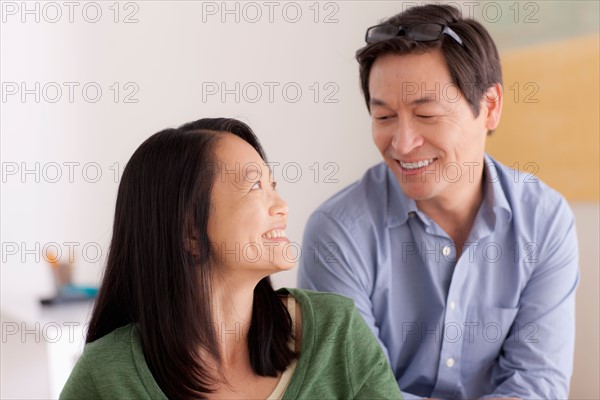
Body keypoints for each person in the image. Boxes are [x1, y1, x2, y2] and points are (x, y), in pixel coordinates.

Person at [298, 4, 579, 400]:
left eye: (426, 114)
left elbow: (538, 384)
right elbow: (359, 392)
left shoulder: (545, 220)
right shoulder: (338, 232)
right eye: (384, 117)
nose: (402, 143)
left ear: (491, 107)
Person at [60, 118, 401, 400]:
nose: (282, 207)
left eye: (273, 185)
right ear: (189, 231)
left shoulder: (335, 331)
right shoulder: (105, 376)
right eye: (255, 187)